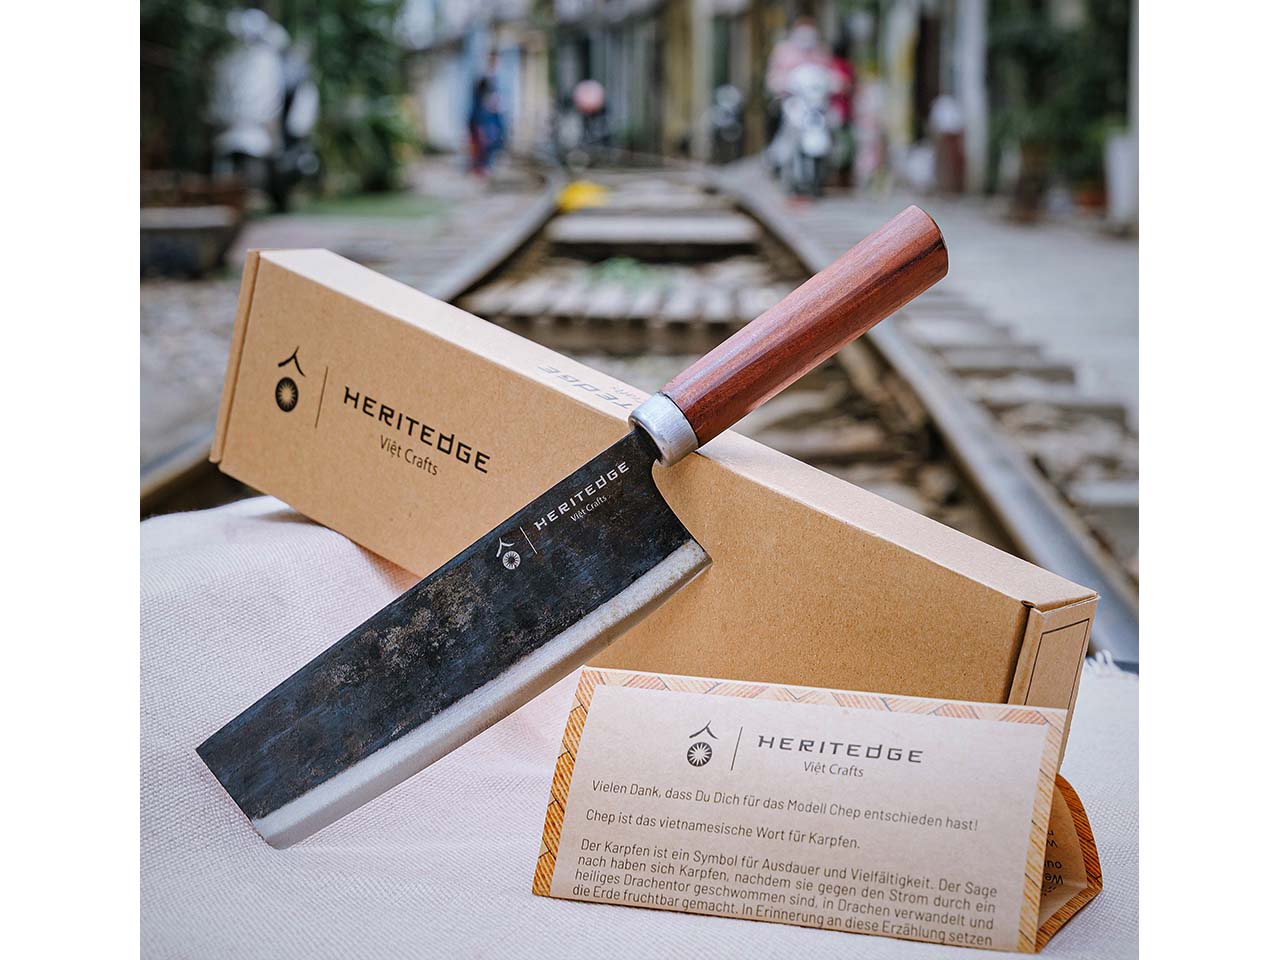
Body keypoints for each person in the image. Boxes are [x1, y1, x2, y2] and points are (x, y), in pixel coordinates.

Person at [467, 72, 505, 177]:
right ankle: (480, 168)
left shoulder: (481, 99)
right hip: (480, 125)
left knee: (483, 147)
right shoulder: (480, 100)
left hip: (481, 125)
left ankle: (481, 167)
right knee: (481, 147)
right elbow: (479, 116)